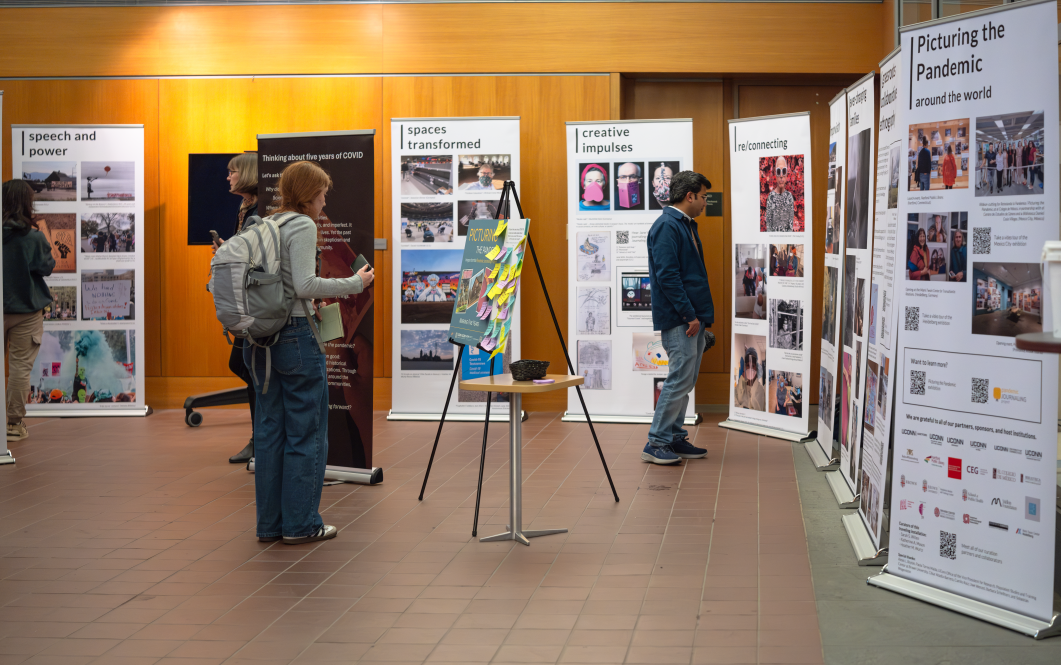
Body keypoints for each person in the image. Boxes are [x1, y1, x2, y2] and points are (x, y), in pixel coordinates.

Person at [244, 160, 374, 545]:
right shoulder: (301, 225)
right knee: (307, 432)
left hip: (261, 338)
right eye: (321, 192)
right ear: (308, 193)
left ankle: (270, 525)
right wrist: (356, 281)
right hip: (297, 335)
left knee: (270, 432)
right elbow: (304, 284)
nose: (325, 198)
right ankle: (301, 524)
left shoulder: (268, 223)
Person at [643, 171, 715, 465]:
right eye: (704, 197)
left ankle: (673, 437)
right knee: (677, 380)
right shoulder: (667, 226)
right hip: (681, 320)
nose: (705, 202)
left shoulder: (684, 225)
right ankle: (656, 442)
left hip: (692, 318)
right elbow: (668, 277)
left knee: (685, 381)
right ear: (690, 196)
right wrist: (689, 316)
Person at [214, 153, 262, 464]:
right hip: (244, 297)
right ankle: (261, 435)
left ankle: (263, 435)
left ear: (245, 174)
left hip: (258, 301)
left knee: (247, 366)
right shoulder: (244, 208)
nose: (228, 177)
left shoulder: (259, 210)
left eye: (232, 172)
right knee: (245, 365)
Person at [3, 180, 54, 442]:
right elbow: (46, 268)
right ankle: (12, 425)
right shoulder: (33, 238)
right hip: (26, 310)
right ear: (27, 203)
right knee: (20, 369)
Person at [764, 156, 794, 232]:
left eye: (783, 171)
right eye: (778, 171)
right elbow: (768, 226)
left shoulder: (789, 197)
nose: (781, 175)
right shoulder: (771, 197)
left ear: (786, 174)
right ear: (775, 175)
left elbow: (790, 226)